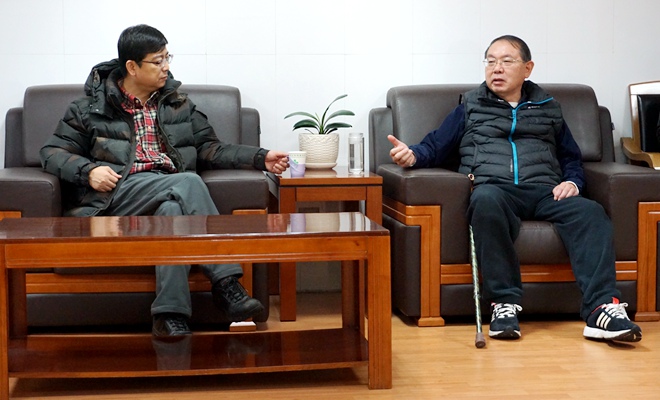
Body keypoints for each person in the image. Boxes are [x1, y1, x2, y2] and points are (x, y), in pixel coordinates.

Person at [388, 35, 642, 343]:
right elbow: (434, 146)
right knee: (484, 200)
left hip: (546, 190)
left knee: (591, 212)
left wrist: (573, 182)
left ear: (527, 68)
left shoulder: (549, 108)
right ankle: (503, 304)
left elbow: (571, 157)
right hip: (495, 189)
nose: (496, 68)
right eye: (491, 61)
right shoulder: (470, 106)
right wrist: (412, 155)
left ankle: (602, 309)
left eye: (506, 61)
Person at [40, 24, 290, 338]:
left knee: (172, 212)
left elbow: (209, 148)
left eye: (167, 58)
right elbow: (51, 152)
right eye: (157, 61)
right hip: (117, 196)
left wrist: (260, 157)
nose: (166, 67)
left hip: (168, 191)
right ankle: (226, 283)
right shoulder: (90, 108)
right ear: (132, 67)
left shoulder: (177, 104)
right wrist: (88, 171)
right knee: (188, 183)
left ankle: (170, 316)